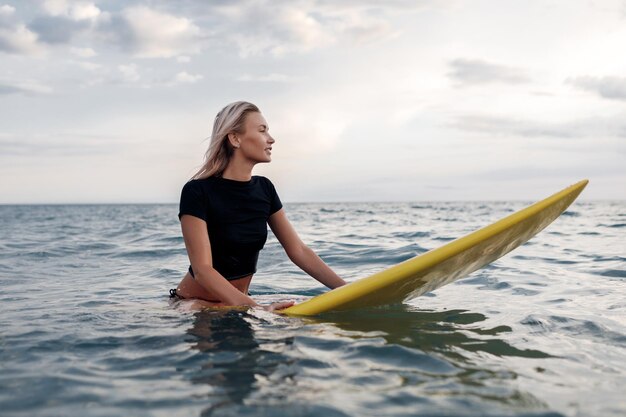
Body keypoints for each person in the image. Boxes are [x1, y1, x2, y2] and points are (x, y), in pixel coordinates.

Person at [171, 101, 346, 312]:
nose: (271, 139)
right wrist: (258, 309)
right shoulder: (197, 192)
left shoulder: (265, 188)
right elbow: (202, 270)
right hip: (195, 306)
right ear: (235, 138)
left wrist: (345, 289)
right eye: (262, 131)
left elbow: (298, 250)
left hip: (241, 304)